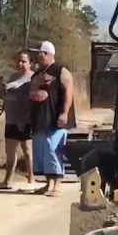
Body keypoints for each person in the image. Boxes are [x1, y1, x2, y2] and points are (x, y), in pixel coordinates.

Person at [27, 40, 76, 197]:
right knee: (42, 151)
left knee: (53, 150)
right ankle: (49, 183)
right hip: (39, 120)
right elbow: (31, 94)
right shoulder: (37, 74)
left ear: (47, 54)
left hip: (54, 118)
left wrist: (64, 113)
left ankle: (57, 184)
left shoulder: (61, 71)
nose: (38, 56)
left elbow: (69, 91)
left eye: (40, 53)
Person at [0, 50, 35, 189]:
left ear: (30, 63)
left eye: (24, 61)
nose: (20, 63)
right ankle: (7, 181)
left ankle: (31, 178)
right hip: (11, 119)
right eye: (18, 61)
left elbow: (33, 100)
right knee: (10, 151)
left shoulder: (33, 78)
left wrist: (26, 117)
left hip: (25, 119)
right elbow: (5, 96)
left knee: (27, 150)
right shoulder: (12, 77)